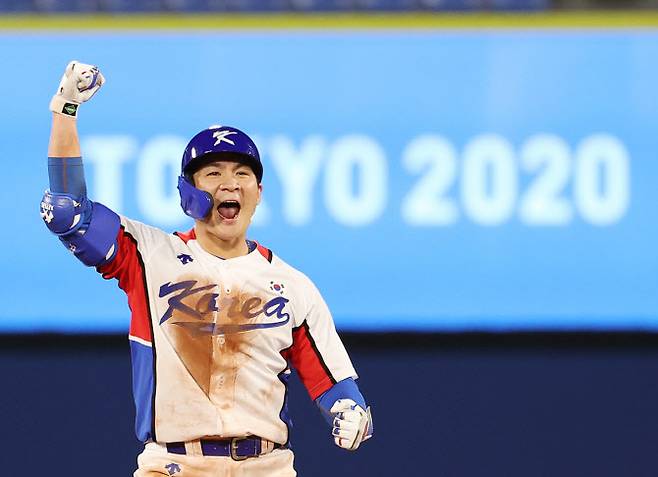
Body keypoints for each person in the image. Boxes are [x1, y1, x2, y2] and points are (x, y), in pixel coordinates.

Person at [41, 61, 373, 477]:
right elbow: (69, 211)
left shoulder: (292, 285)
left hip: (266, 467)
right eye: (212, 173)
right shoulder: (149, 255)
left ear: (259, 192)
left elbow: (334, 385)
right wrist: (65, 110)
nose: (229, 183)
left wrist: (351, 413)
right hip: (174, 464)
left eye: (242, 173)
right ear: (188, 193)